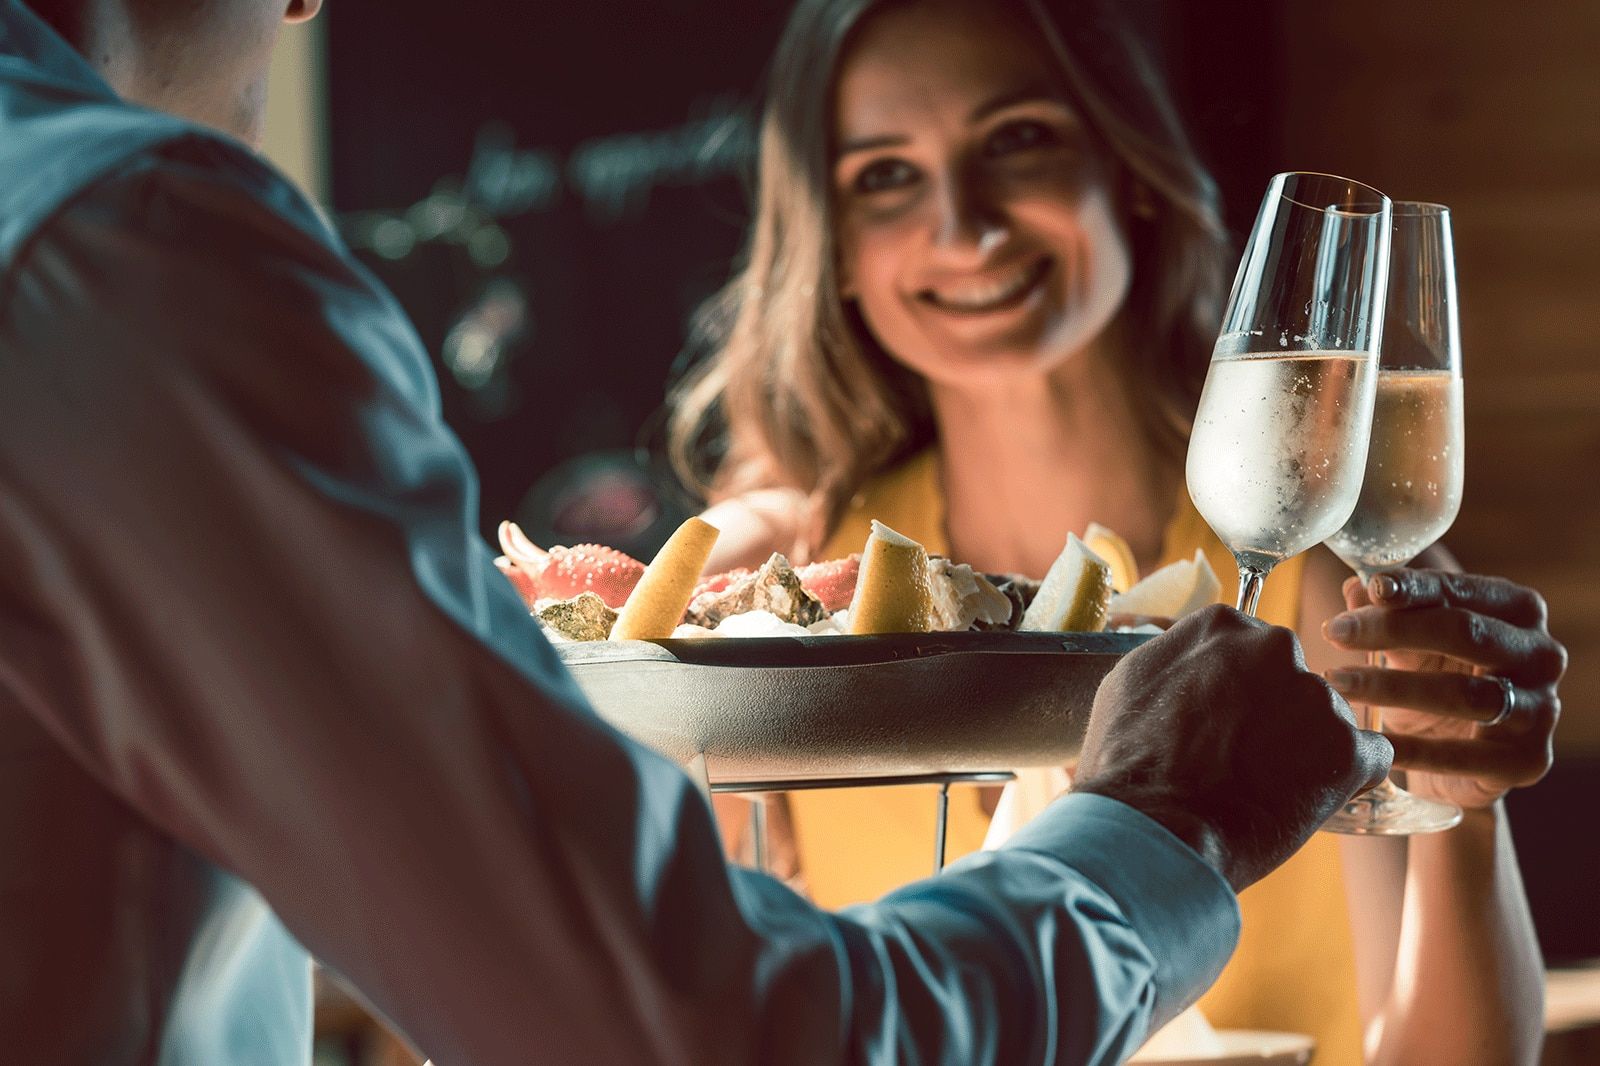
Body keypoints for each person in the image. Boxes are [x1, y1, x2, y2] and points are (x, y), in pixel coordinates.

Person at [0, 1, 1397, 1063]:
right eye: (884, 176)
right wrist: (1158, 829)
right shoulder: (135, 247)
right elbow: (684, 1024)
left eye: (1020, 142)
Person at [670, 0, 1568, 1063]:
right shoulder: (778, 591)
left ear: (1128, 170)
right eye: (885, 175)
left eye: (1018, 139)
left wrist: (1463, 809)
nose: (963, 225)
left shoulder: (1325, 577)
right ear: (836, 245)